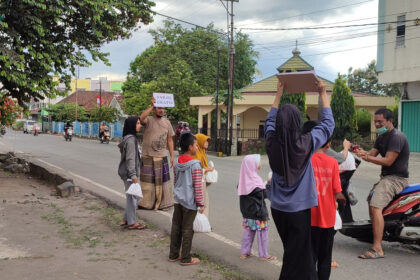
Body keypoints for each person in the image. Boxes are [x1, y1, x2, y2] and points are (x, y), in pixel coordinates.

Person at [265, 79, 334, 280]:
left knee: (295, 254)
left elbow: (270, 121)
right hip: (299, 212)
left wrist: (278, 94)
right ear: (298, 123)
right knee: (296, 258)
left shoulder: (271, 141)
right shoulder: (306, 143)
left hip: (278, 210)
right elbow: (328, 125)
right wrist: (322, 93)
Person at [355, 108, 409, 259]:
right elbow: (371, 155)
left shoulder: (396, 137)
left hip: (396, 179)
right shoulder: (381, 137)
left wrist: (367, 157)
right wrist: (361, 153)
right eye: (375, 122)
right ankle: (376, 234)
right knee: (370, 201)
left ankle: (378, 248)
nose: (377, 124)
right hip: (386, 177)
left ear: (390, 121)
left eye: (380, 122)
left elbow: (388, 160)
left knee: (375, 205)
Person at [302, 121, 346, 280]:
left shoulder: (305, 161)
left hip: (309, 216)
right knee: (325, 257)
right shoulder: (332, 162)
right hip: (328, 217)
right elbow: (337, 191)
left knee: (310, 256)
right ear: (327, 144)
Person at [169, 133, 204, 265]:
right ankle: (185, 258)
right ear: (190, 147)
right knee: (187, 229)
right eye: (195, 145)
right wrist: (201, 203)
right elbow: (197, 185)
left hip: (178, 199)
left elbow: (176, 181)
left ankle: (173, 254)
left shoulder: (177, 161)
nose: (197, 147)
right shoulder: (195, 165)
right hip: (190, 202)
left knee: (176, 226)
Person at [138, 97, 175, 211]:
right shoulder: (148, 120)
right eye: (159, 108)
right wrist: (151, 106)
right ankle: (146, 203)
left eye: (163, 108)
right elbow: (141, 118)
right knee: (148, 182)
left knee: (162, 182)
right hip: (148, 155)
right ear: (154, 109)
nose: (161, 110)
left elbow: (169, 140)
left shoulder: (167, 123)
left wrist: (172, 156)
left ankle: (164, 204)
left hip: (162, 155)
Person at [238, 154, 276, 261]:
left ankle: (244, 252)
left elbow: (256, 191)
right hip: (259, 212)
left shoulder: (244, 180)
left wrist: (265, 183)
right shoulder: (255, 180)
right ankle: (264, 254)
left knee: (248, 232)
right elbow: (264, 194)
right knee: (263, 233)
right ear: (252, 165)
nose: (260, 164)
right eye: (258, 162)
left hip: (248, 213)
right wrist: (269, 184)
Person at [117, 116, 146, 230]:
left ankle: (126, 219)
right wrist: (133, 175)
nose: (140, 125)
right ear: (132, 125)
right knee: (133, 197)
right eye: (138, 123)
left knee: (134, 197)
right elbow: (130, 159)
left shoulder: (129, 138)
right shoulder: (130, 140)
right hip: (129, 174)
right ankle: (132, 222)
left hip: (129, 172)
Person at [193, 133, 214, 218]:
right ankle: (199, 222)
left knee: (205, 201)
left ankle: (203, 222)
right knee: (202, 202)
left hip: (202, 180)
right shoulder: (196, 153)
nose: (207, 143)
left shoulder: (202, 152)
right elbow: (196, 169)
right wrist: (208, 169)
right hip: (198, 182)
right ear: (200, 142)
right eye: (205, 141)